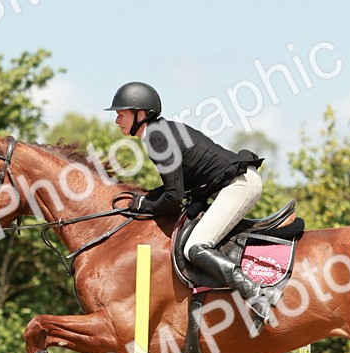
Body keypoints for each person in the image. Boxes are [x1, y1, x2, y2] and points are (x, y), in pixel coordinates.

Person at [106, 81, 272, 324]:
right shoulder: (160, 132)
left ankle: (255, 293)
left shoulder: (157, 139)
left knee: (195, 247)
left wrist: (143, 206)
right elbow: (181, 187)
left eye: (121, 114)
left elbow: (173, 197)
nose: (117, 121)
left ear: (141, 114)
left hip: (238, 185)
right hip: (229, 184)